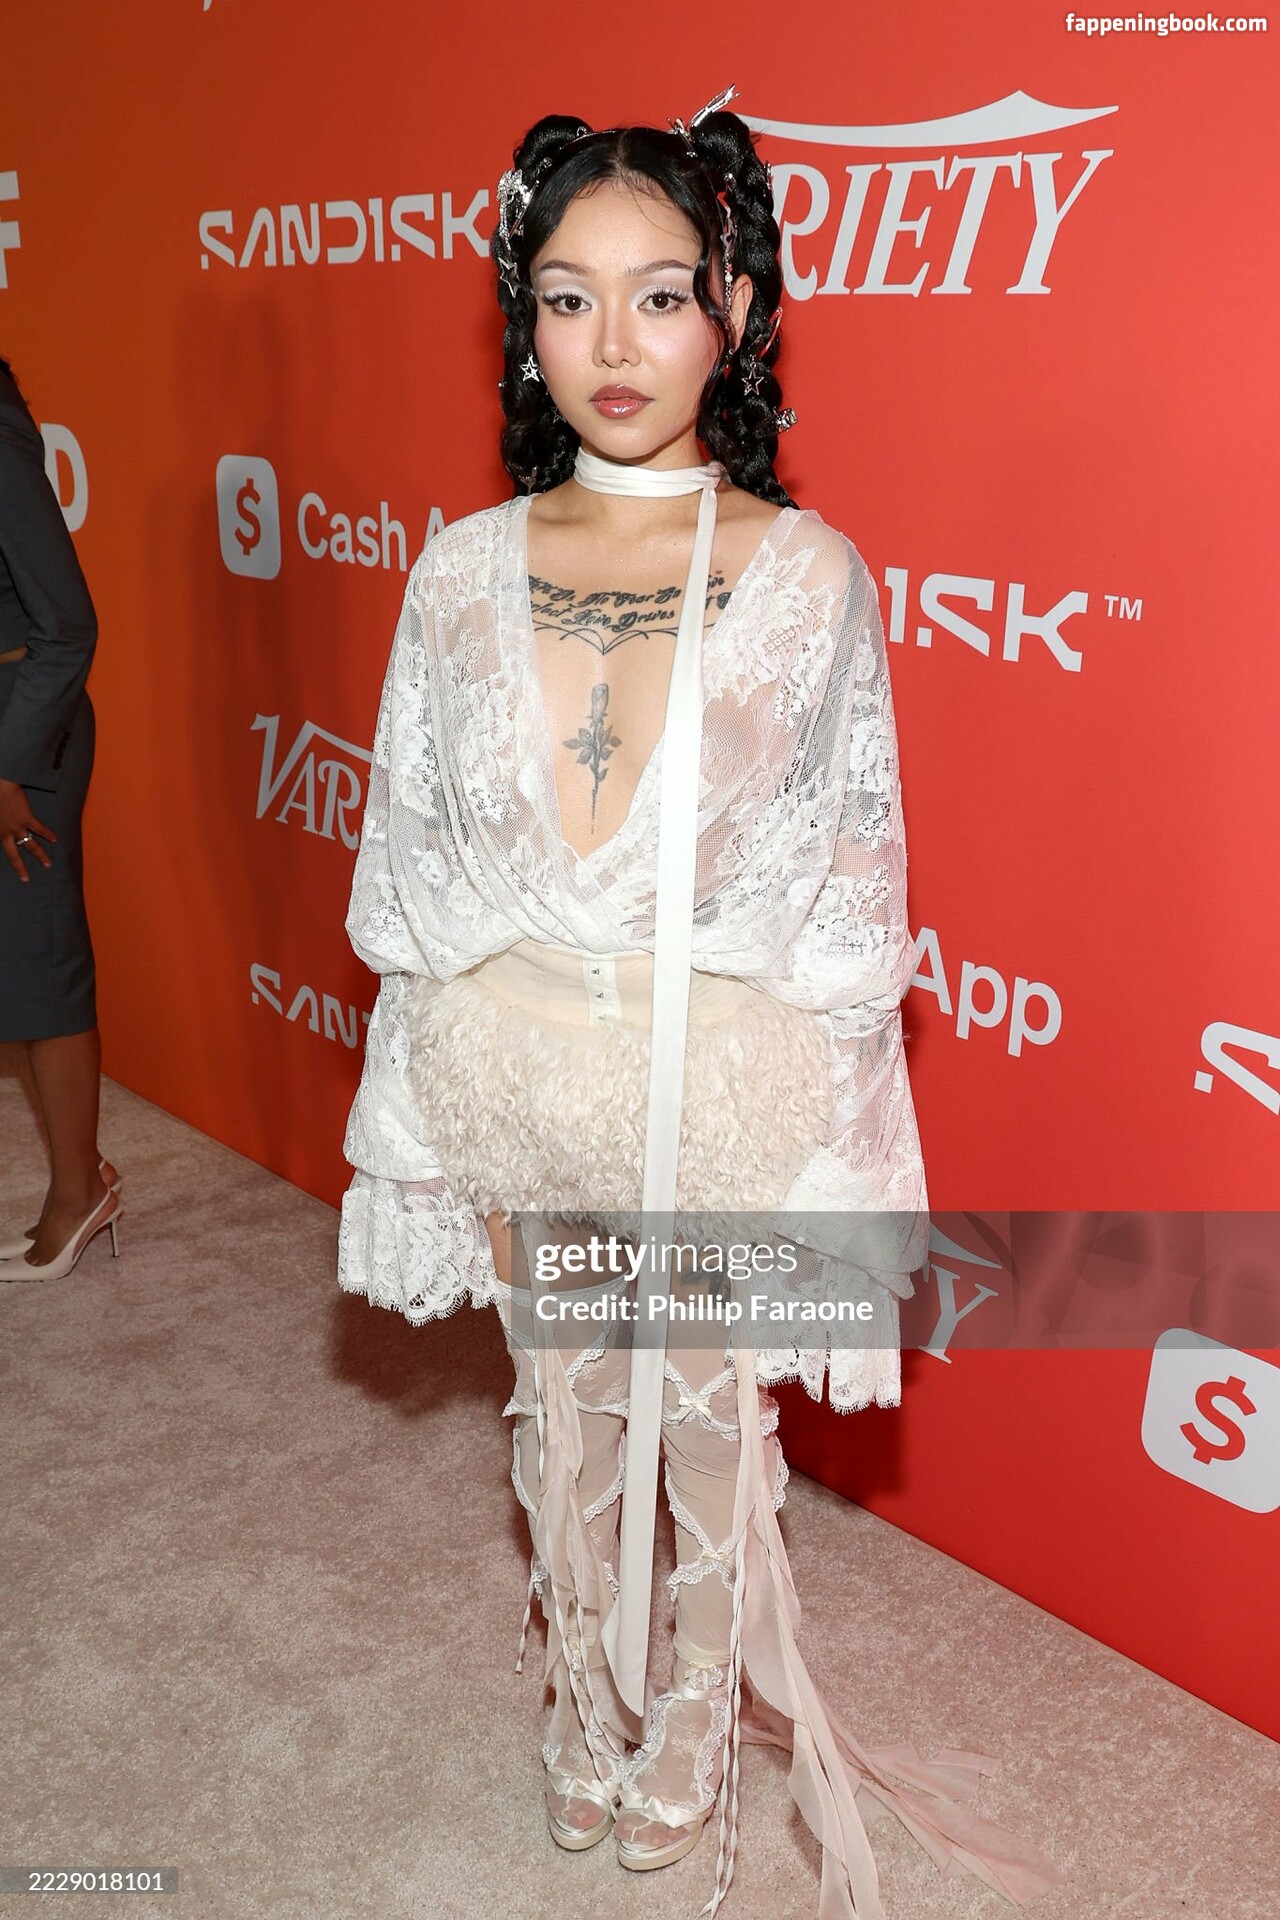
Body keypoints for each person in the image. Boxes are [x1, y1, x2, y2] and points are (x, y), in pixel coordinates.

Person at [338, 90, 1065, 1917]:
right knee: (560, 1402)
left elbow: (850, 890)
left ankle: (688, 1718)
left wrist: (834, 1153)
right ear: (522, 319)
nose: (613, 343)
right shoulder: (456, 568)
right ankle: (582, 1689)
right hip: (521, 1067)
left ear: (732, 310)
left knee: (711, 1424)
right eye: (567, 297)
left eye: (659, 295)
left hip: (723, 1074)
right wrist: (419, 1108)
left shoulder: (811, 578)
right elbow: (408, 869)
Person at [0, 354, 121, 1281]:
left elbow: (68, 623)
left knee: (41, 967)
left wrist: (9, 765)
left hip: (21, 735)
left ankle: (79, 1195)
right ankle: (84, 1175)